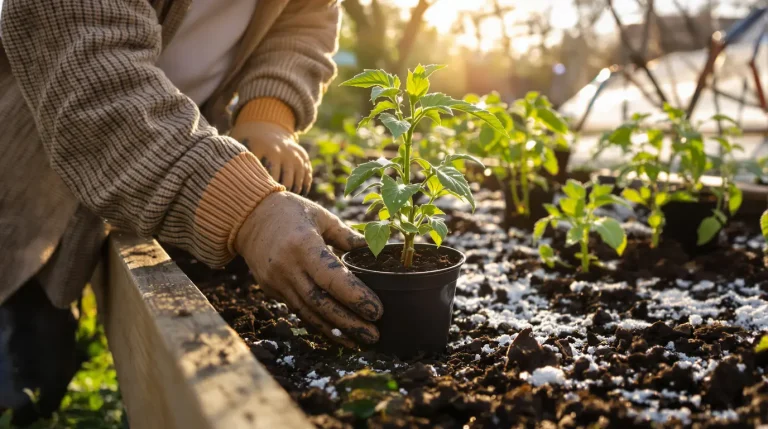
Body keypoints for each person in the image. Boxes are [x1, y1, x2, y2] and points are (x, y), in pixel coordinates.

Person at [0, 0, 382, 423]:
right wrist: (249, 212)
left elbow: (305, 16)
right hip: (20, 182)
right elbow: (94, 78)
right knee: (19, 367)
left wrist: (268, 114)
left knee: (44, 353)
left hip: (147, 174)